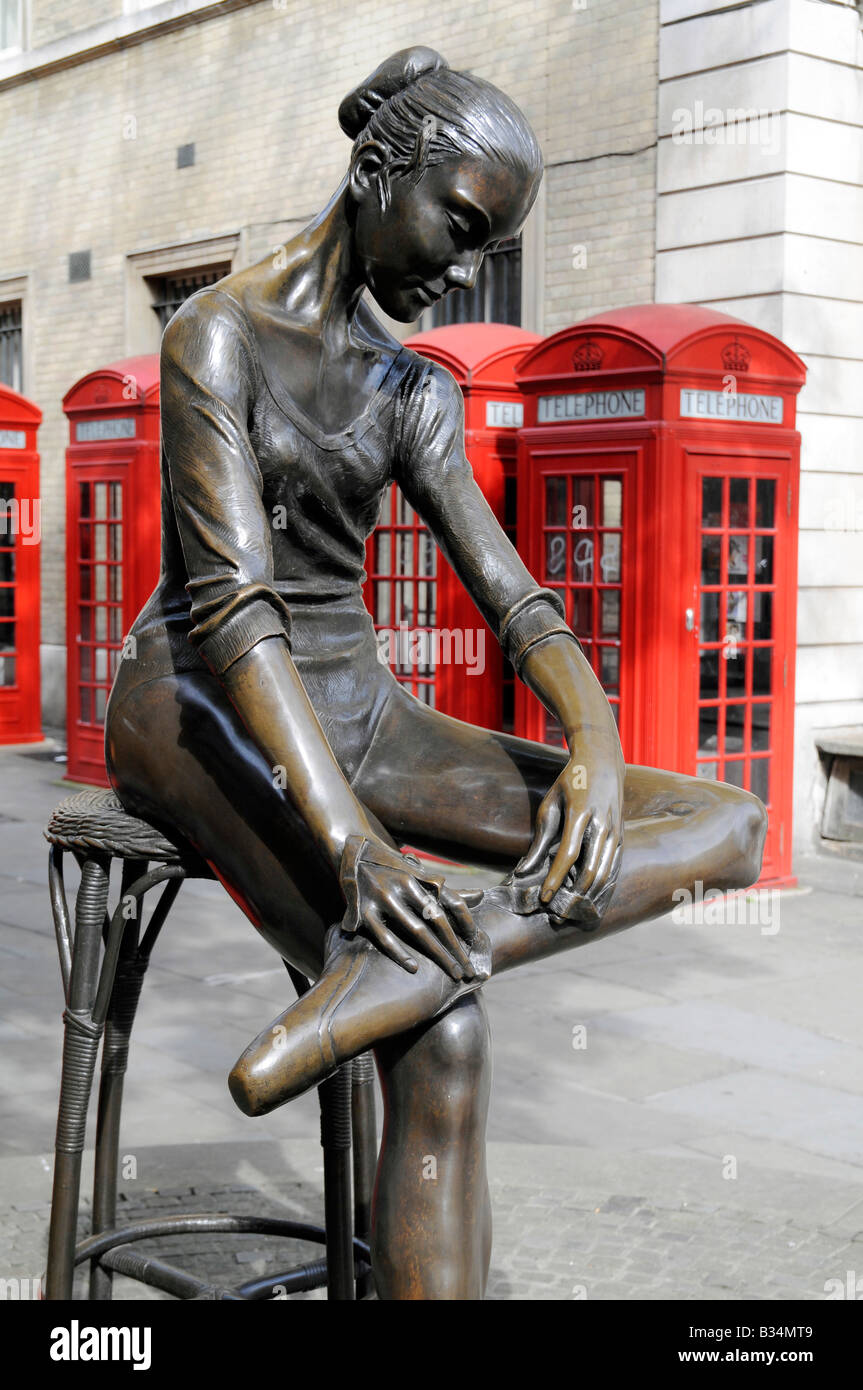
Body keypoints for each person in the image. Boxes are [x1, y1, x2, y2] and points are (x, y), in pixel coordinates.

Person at [105, 47, 766, 1299]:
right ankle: (415, 972)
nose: (462, 268)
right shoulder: (216, 333)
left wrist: (595, 747)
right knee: (443, 1033)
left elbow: (512, 596)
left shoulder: (412, 387)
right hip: (196, 699)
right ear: (374, 169)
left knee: (725, 819)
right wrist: (353, 846)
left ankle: (428, 948)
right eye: (460, 225)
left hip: (358, 707)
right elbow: (235, 611)